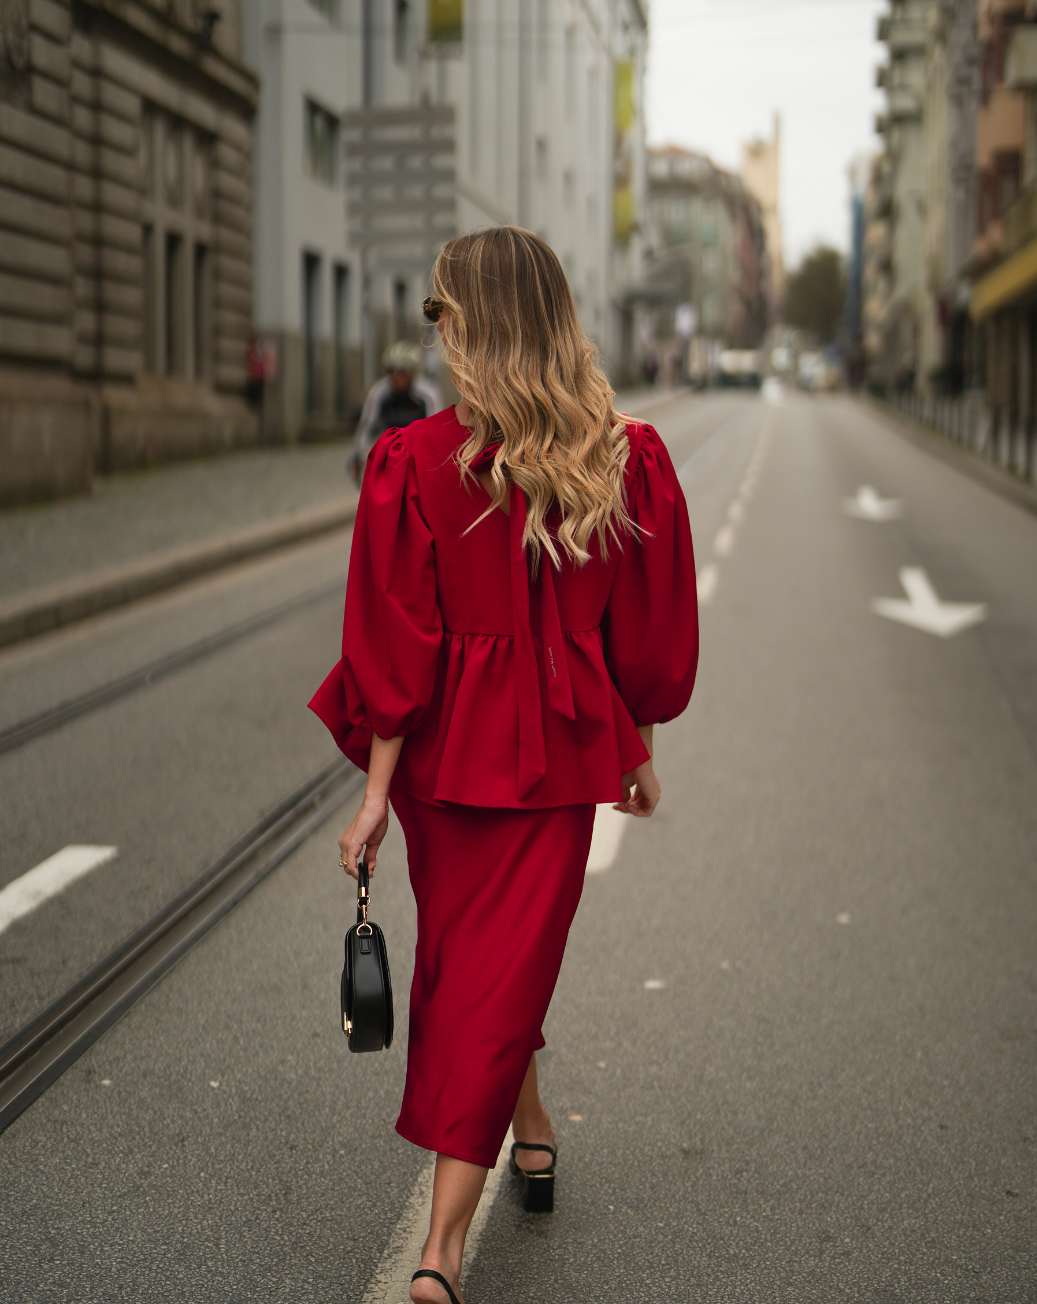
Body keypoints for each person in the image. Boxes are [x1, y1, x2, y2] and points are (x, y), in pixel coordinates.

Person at [310, 227, 698, 1304]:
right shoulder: (620, 458)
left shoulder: (417, 464)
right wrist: (375, 801)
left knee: (486, 970)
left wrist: (385, 788)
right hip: (533, 767)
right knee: (489, 968)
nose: (434, 335)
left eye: (443, 314)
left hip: (452, 761)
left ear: (476, 323)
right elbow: (647, 642)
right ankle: (513, 1146)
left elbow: (395, 647)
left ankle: (442, 1248)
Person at [346, 341, 443, 485]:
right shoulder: (379, 392)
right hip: (392, 455)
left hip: (419, 456)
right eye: (392, 372)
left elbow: (437, 429)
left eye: (402, 373)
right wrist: (357, 457)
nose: (396, 378)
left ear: (411, 373)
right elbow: (366, 426)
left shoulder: (427, 394)